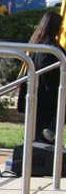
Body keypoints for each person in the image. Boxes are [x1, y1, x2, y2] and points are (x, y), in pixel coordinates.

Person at [24, 10, 65, 144]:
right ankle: (51, 130)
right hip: (48, 102)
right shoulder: (51, 50)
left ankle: (51, 131)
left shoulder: (36, 46)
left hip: (37, 100)